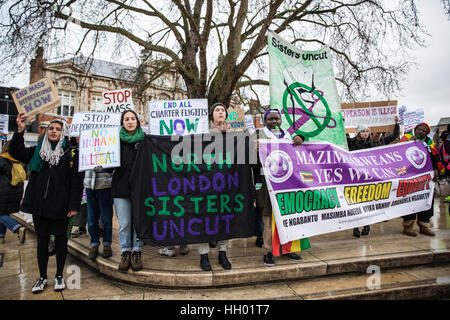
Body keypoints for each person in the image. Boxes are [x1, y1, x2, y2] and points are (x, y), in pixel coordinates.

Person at [9, 114, 83, 294]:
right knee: (42, 242)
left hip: (61, 207)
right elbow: (16, 152)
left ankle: (59, 275)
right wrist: (20, 130)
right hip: (39, 206)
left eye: (57, 129)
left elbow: (76, 182)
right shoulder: (37, 152)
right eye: (51, 128)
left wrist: (74, 206)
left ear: (63, 133)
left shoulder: (71, 153)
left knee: (60, 242)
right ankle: (42, 277)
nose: (54, 131)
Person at [255, 108, 305, 266]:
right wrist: (254, 150)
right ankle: (268, 251)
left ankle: (289, 249)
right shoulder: (258, 136)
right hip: (266, 183)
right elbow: (251, 163)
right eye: (270, 119)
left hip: (287, 183)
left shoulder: (290, 137)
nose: (274, 122)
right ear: (264, 121)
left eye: (276, 118)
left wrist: (301, 138)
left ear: (281, 120)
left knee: (288, 216)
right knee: (268, 218)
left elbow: (300, 156)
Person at [198, 102, 232, 271]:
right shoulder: (202, 133)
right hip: (206, 184)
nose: (220, 112)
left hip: (226, 184)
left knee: (224, 217)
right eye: (217, 110)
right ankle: (203, 254)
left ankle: (222, 252)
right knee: (204, 217)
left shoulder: (234, 134)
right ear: (211, 115)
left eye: (223, 110)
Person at [112, 110, 145, 272]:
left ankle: (137, 251)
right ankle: (125, 252)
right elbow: (110, 165)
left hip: (140, 188)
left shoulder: (146, 140)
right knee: (124, 223)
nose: (130, 121)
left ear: (138, 122)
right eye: (127, 119)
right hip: (121, 187)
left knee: (138, 222)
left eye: (133, 119)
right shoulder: (114, 141)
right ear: (122, 122)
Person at [400, 122, 445, 237]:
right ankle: (408, 226)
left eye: (424, 131)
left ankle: (424, 225)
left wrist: (436, 170)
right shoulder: (407, 139)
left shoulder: (430, 144)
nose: (421, 131)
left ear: (427, 134)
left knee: (426, 200)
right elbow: (399, 154)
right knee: (410, 200)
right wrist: (409, 143)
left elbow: (435, 159)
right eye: (419, 129)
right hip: (411, 177)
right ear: (415, 130)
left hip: (426, 178)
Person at [347, 124, 373, 237]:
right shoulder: (351, 142)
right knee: (355, 202)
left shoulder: (372, 144)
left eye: (367, 131)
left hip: (367, 177)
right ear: (358, 132)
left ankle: (367, 226)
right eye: (363, 131)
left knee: (367, 202)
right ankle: (355, 227)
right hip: (355, 177)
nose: (365, 133)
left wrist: (396, 125)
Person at [84, 166, 114, 260]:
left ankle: (107, 244)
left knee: (107, 218)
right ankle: (94, 244)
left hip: (105, 185)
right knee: (91, 218)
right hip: (89, 185)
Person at [0, 141, 26, 244]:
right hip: (15, 192)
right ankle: (1, 236)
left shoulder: (2, 159)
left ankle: (17, 227)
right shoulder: (19, 160)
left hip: (2, 192)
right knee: (3, 213)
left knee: (1, 213)